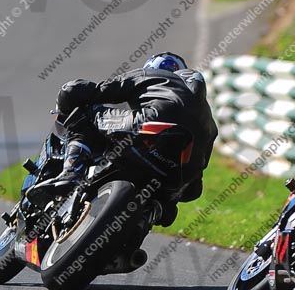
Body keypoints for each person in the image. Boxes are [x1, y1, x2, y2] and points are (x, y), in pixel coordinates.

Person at [31, 51, 218, 225]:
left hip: (147, 127)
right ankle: (152, 214)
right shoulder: (209, 122)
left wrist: (67, 97)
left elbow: (96, 91)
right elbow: (194, 189)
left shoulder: (149, 75)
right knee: (170, 198)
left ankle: (72, 173)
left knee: (86, 115)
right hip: (178, 171)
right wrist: (172, 199)